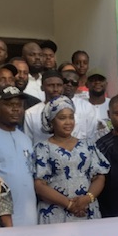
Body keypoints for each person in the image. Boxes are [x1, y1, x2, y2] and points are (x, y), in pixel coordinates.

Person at [34, 96, 110, 224]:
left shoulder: (88, 145)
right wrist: (69, 205)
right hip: (56, 213)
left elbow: (99, 177)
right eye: (62, 118)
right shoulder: (42, 148)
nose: (68, 122)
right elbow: (39, 185)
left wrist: (87, 199)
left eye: (71, 117)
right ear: (51, 121)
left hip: (87, 210)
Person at [0, 86, 37, 226]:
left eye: (19, 105)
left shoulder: (25, 139)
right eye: (10, 105)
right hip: (0, 217)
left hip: (29, 215)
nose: (16, 109)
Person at [24, 70, 64, 145]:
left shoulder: (71, 111)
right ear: (42, 88)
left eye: (59, 85)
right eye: (50, 85)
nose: (55, 89)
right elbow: (28, 141)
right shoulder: (31, 113)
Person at [59, 65, 98, 141]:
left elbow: (91, 136)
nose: (69, 84)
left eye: (73, 83)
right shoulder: (51, 105)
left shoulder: (87, 107)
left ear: (77, 86)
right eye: (66, 81)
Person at [86, 68, 111, 138]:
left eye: (101, 79)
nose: (97, 82)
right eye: (93, 80)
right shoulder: (80, 106)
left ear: (106, 84)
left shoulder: (113, 105)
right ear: (87, 84)